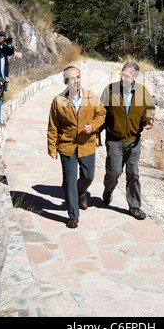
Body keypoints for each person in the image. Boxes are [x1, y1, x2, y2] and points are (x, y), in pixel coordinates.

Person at [47, 66, 106, 229]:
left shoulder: (91, 97)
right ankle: (73, 215)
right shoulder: (58, 101)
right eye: (73, 78)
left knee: (88, 176)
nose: (77, 80)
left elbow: (102, 114)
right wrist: (52, 146)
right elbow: (53, 126)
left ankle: (81, 193)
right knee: (70, 181)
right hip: (67, 146)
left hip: (87, 144)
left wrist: (93, 127)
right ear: (66, 81)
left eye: (78, 77)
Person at [100, 61, 155, 220]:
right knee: (114, 172)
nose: (123, 77)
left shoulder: (142, 92)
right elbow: (101, 113)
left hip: (133, 140)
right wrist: (96, 134)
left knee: (133, 174)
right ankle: (108, 188)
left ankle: (134, 206)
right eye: (122, 74)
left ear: (135, 77)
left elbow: (149, 108)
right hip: (114, 140)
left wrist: (148, 120)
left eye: (127, 75)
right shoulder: (110, 90)